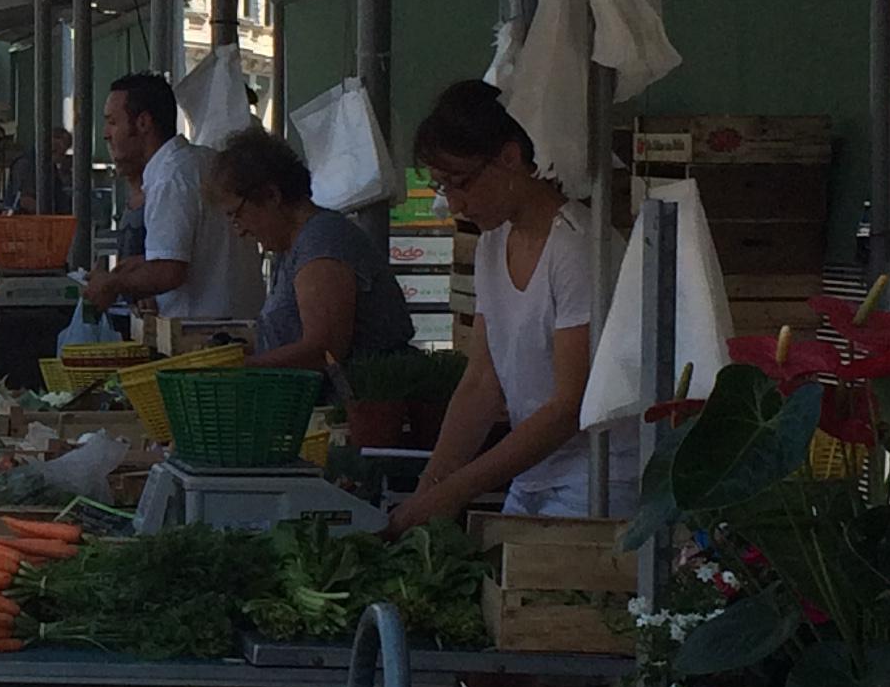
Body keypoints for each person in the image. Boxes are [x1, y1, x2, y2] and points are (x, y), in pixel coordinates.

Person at [388, 80, 605, 528]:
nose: (454, 203)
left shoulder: (577, 250)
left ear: (510, 158)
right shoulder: (492, 244)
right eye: (442, 187)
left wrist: (454, 491)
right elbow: (481, 381)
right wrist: (430, 485)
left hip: (597, 481)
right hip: (530, 477)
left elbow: (570, 406)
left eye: (460, 183)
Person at [206, 125, 416, 373]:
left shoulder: (323, 243)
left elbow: (323, 351)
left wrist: (238, 367)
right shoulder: (292, 247)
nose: (239, 230)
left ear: (271, 196)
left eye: (237, 216)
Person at [83, 72, 264, 328]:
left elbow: (169, 272)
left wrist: (111, 284)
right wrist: (133, 270)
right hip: (236, 324)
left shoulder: (171, 177)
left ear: (143, 123)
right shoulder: (203, 161)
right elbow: (194, 253)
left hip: (205, 338)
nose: (106, 134)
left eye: (113, 122)